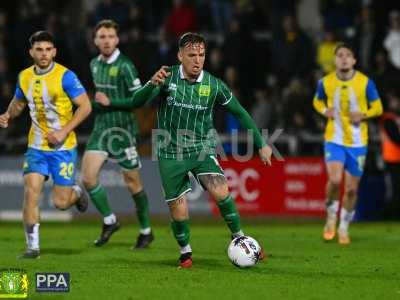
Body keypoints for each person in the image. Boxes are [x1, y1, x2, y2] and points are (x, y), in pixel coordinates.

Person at [96, 32, 272, 268]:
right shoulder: (166, 77)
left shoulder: (213, 84)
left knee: (221, 191)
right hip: (170, 153)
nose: (197, 60)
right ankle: (186, 254)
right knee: (179, 210)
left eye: (201, 55)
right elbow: (136, 102)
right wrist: (151, 84)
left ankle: (240, 237)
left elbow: (239, 112)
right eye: (191, 55)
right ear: (180, 56)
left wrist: (261, 143)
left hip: (201, 149)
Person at [0, 31, 92, 258]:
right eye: (39, 49)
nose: (44, 54)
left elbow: (85, 106)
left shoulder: (66, 77)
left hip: (63, 148)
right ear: (31, 52)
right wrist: (8, 115)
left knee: (60, 203)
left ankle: (77, 192)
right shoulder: (24, 77)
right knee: (31, 193)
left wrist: (63, 131)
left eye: (48, 49)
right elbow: (19, 103)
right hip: (36, 147)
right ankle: (33, 247)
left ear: (54, 52)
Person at [81, 19, 154, 249]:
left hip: (123, 130)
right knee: (88, 177)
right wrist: (98, 104)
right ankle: (110, 221)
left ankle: (146, 231)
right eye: (102, 37)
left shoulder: (125, 66)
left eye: (110, 36)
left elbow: (141, 100)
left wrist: (111, 101)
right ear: (95, 40)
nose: (106, 41)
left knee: (132, 183)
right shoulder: (94, 64)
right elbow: (101, 99)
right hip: (102, 127)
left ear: (117, 39)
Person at [313, 43, 383, 244]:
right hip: (334, 138)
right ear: (335, 60)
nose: (344, 58)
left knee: (351, 189)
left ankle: (343, 227)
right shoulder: (325, 82)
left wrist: (363, 114)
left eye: (348, 55)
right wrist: (324, 110)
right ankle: (330, 216)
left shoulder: (365, 83)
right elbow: (317, 101)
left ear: (354, 60)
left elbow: (378, 107)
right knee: (335, 181)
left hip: (358, 142)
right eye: (340, 55)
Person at [379, 93, 400, 220]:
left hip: (396, 159)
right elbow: (395, 138)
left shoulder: (394, 118)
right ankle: (390, 215)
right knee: (394, 189)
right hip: (391, 160)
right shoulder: (387, 119)